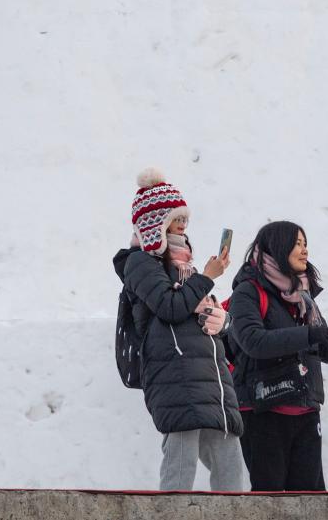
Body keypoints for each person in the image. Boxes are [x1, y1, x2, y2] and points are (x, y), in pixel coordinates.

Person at [227, 220, 328, 491]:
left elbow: (323, 347)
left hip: (304, 410)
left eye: (306, 244)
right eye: (297, 243)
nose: (305, 251)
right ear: (278, 247)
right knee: (270, 499)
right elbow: (253, 341)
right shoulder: (248, 291)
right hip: (263, 411)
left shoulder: (302, 299)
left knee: (310, 499)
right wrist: (308, 335)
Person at [112, 168, 245, 491]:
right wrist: (208, 277)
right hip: (174, 373)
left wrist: (220, 319)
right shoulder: (140, 263)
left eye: (185, 217)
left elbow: (189, 309)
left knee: (229, 462)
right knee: (181, 461)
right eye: (175, 217)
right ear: (155, 222)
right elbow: (169, 308)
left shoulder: (186, 266)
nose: (183, 224)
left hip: (209, 374)